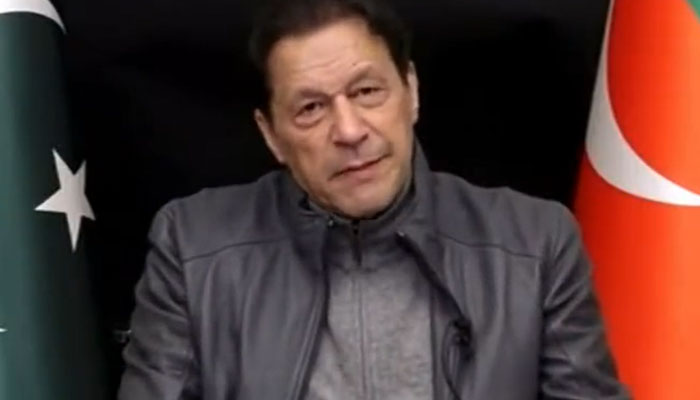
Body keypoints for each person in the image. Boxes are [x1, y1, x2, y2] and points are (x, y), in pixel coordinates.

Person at [118, 0, 630, 398]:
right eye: (311, 108)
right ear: (271, 135)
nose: (349, 130)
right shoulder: (193, 247)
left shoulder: (535, 242)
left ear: (411, 91)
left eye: (366, 92)